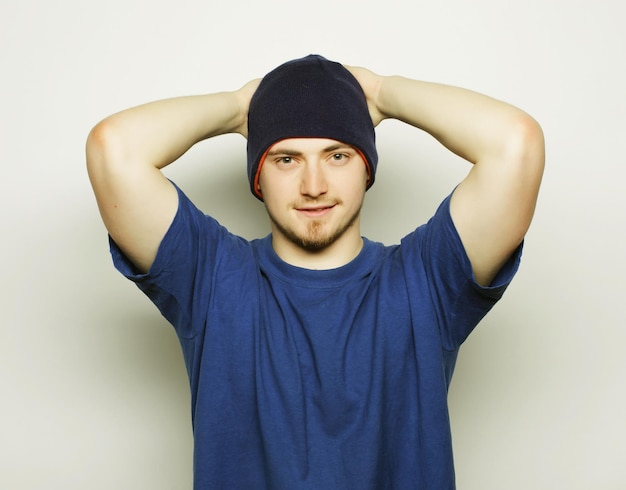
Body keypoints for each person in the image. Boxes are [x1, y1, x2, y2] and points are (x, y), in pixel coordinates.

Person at [86, 54, 544, 489]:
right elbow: (114, 149)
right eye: (287, 159)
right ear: (258, 177)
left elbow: (515, 143)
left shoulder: (424, 281)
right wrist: (240, 107)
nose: (314, 186)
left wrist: (382, 93)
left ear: (366, 168)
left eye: (338, 155)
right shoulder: (212, 278)